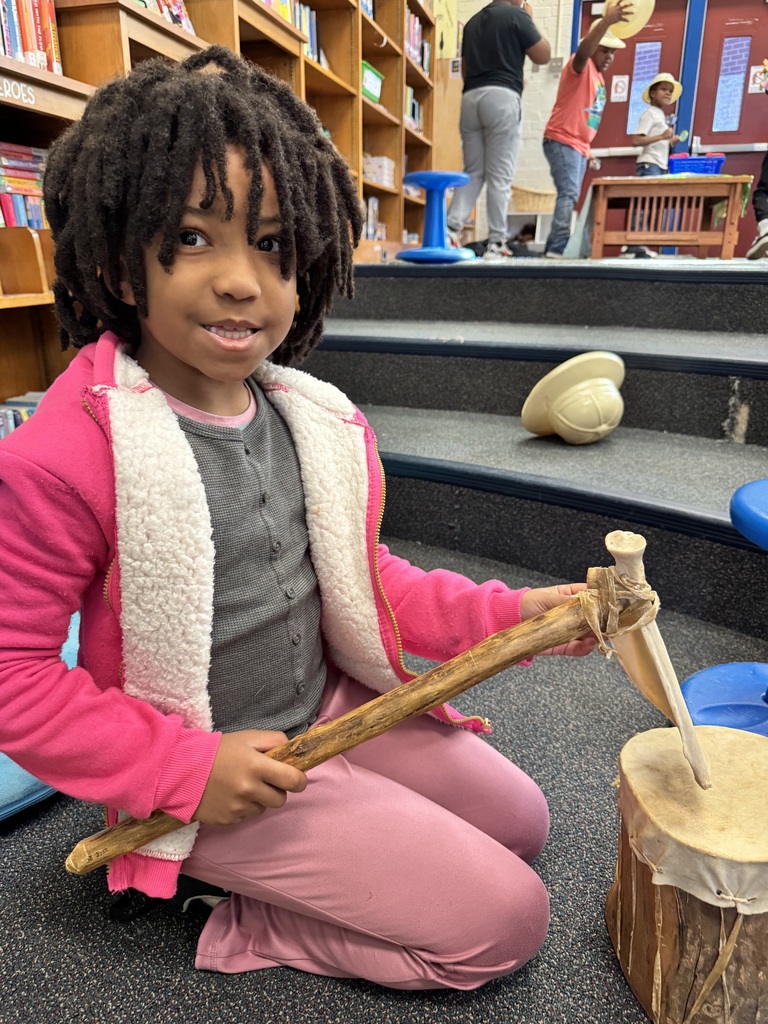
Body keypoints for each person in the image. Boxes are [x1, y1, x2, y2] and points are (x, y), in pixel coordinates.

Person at [0, 47, 596, 991]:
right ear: (117, 260)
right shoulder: (61, 456)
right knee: (504, 926)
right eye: (194, 238)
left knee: (524, 821)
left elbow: (369, 584)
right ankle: (233, 915)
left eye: (273, 245)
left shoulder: (305, 415)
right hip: (211, 774)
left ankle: (351, 827)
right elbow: (14, 678)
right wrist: (184, 771)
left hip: (327, 713)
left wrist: (514, 618)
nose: (244, 280)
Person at [446, 0, 551, 260]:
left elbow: (466, 69)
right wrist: (531, 18)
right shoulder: (517, 16)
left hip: (471, 98)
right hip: (502, 97)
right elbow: (543, 55)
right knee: (500, 175)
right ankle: (497, 242)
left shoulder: (472, 23)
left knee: (473, 171)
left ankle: (449, 230)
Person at [541, 1, 631, 258]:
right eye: (605, 51)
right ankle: (556, 249)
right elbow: (583, 51)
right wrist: (607, 22)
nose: (609, 58)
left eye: (613, 54)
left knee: (572, 194)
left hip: (578, 146)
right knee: (568, 193)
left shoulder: (598, 79)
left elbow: (587, 118)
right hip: (561, 139)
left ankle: (559, 247)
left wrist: (588, 150)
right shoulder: (579, 67)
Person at [622, 71, 682, 259]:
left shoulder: (661, 115)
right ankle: (634, 243)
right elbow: (636, 140)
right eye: (663, 89)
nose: (667, 93)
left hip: (658, 165)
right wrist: (662, 136)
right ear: (653, 93)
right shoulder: (649, 114)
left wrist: (670, 142)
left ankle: (639, 243)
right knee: (643, 205)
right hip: (649, 164)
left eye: (670, 91)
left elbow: (658, 141)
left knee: (649, 205)